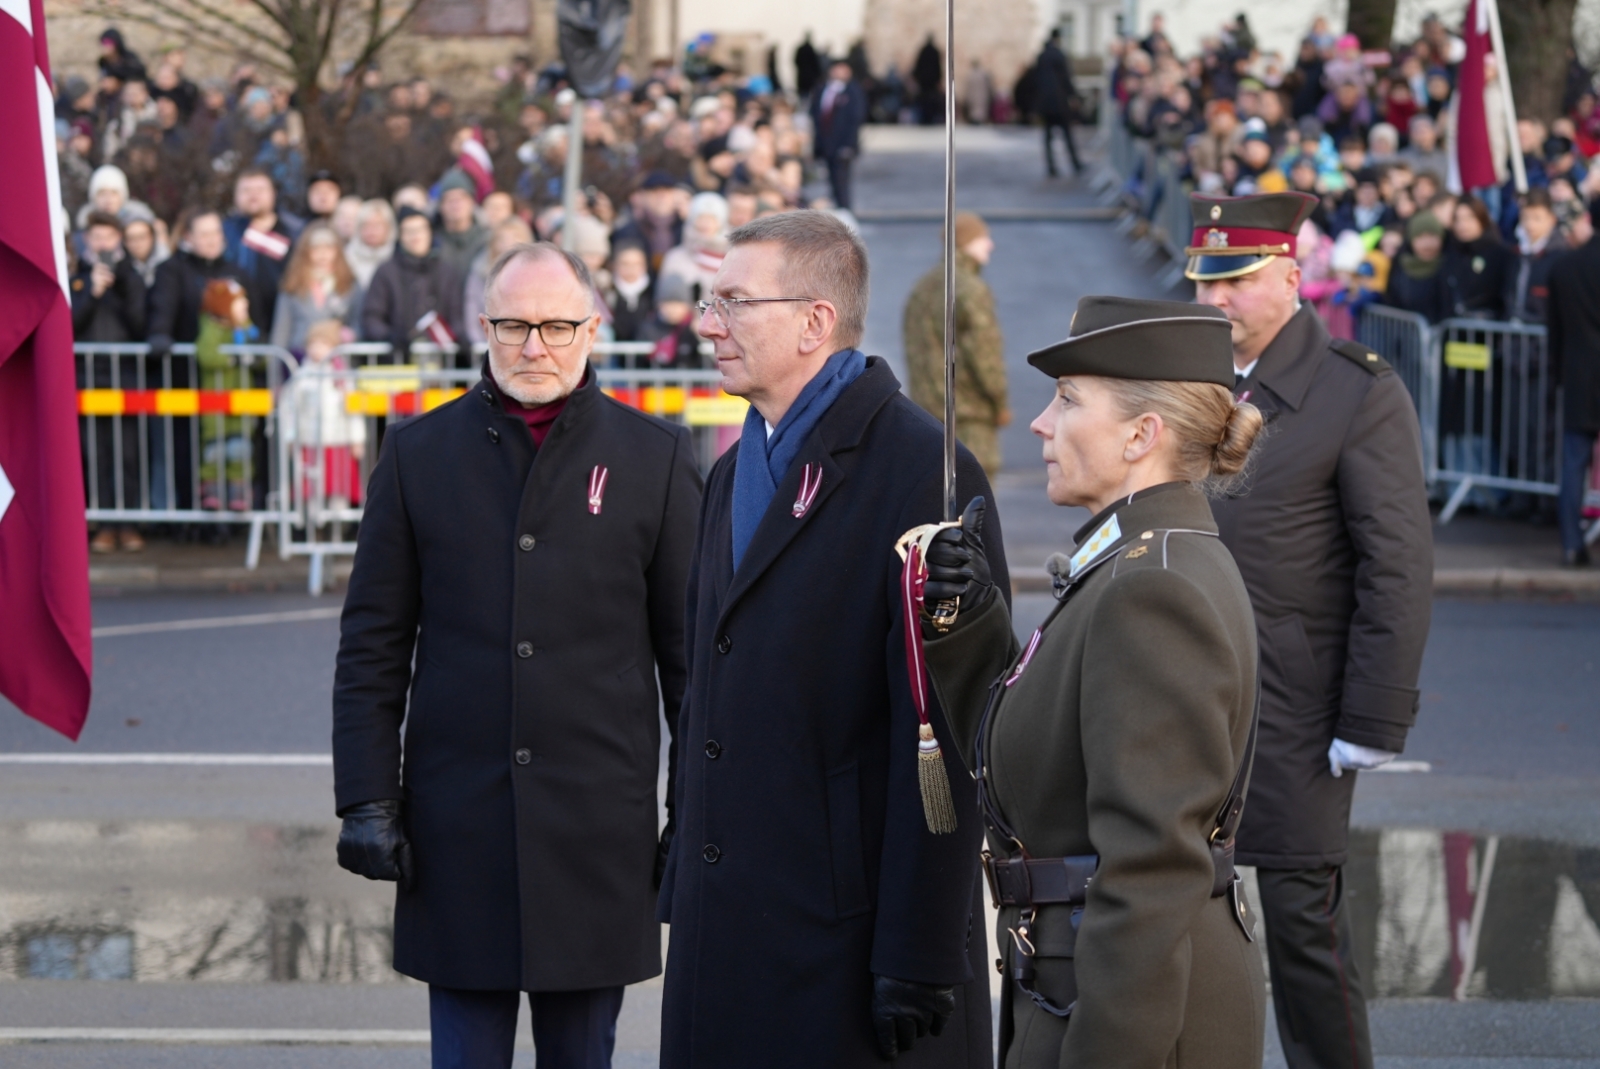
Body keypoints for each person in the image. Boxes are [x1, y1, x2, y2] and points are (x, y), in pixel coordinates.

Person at [333, 241, 700, 1069]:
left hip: (597, 835)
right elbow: (372, 650)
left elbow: (693, 670)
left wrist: (694, 808)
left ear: (593, 328)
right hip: (457, 828)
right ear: (482, 327)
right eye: (514, 326)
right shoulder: (417, 455)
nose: (536, 345)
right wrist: (365, 797)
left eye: (557, 325)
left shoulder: (658, 458)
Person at [657, 210, 1004, 1067]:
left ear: (816, 320)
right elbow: (708, 682)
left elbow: (947, 737)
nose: (709, 323)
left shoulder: (924, 469)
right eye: (711, 300)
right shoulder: (737, 467)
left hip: (843, 933)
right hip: (729, 913)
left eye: (735, 302)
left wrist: (923, 953)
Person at [918, 296, 1267, 1067]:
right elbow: (1039, 764)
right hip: (1075, 982)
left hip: (1125, 1013)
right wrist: (971, 624)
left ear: (1143, 434)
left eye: (1070, 400)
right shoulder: (1132, 561)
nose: (1041, 423)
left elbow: (1149, 872)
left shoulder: (1152, 587)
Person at [1188, 191, 1433, 1069]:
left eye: (1237, 282)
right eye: (1204, 282)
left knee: (1301, 921)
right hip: (1187, 685)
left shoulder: (1353, 391)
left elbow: (1396, 566)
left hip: (1293, 700)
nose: (1216, 301)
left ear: (1291, 276)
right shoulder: (1194, 381)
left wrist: (1372, 719)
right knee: (1175, 909)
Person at [902, 211, 1010, 478]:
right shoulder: (971, 290)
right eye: (984, 238)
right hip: (969, 417)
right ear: (966, 242)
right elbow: (985, 355)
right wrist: (1000, 403)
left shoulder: (922, 288)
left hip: (927, 417)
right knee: (974, 507)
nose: (990, 245)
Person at [1546, 197, 1600, 568]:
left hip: (1579, 377)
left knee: (1573, 464)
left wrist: (1557, 377)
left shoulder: (1564, 267)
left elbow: (1556, 332)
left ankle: (1571, 543)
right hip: (1580, 373)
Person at [361, 206, 466, 362]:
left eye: (420, 230)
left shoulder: (447, 272)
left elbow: (457, 315)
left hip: (442, 364)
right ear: (400, 236)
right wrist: (389, 336)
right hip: (397, 363)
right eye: (408, 231)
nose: (415, 236)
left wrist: (459, 340)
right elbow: (372, 317)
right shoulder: (385, 272)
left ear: (430, 233)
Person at [195, 278, 259, 512]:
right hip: (216, 404)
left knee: (240, 448)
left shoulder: (245, 327)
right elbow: (206, 353)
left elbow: (258, 349)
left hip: (241, 403)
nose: (245, 305)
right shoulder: (212, 327)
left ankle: (239, 491)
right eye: (239, 301)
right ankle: (212, 490)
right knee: (215, 448)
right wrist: (231, 358)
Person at [223, 167, 304, 333]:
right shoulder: (224, 232)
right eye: (246, 190)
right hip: (234, 324)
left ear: (273, 193)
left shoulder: (294, 230)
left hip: (284, 322)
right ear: (235, 196)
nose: (253, 195)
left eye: (260, 190)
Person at [271, 223, 361, 355]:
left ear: (338, 251)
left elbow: (359, 325)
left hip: (338, 364)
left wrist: (347, 335)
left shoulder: (349, 284)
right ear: (306, 253)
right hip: (299, 361)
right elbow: (280, 333)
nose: (323, 254)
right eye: (316, 249)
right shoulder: (292, 286)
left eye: (329, 248)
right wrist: (275, 374)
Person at [809, 60, 867, 211]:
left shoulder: (853, 91)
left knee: (842, 181)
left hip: (842, 145)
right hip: (825, 143)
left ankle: (845, 212)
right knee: (831, 181)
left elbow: (855, 119)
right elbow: (816, 116)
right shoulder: (822, 89)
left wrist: (849, 145)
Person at [1509, 188, 1569, 324]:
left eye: (1537, 218)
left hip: (1543, 335)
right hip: (1512, 337)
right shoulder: (1515, 254)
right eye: (1525, 217)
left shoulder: (1561, 257)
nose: (1530, 224)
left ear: (1552, 219)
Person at [1382, 211, 1447, 323]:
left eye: (1432, 236)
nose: (1427, 243)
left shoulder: (1449, 267)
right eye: (1420, 237)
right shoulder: (1400, 266)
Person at [1035, 29, 1082, 177]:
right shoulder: (1059, 55)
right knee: (1067, 134)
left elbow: (1036, 80)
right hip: (1059, 101)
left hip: (1046, 102)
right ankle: (1075, 163)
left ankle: (1051, 167)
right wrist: (1073, 96)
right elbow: (1066, 78)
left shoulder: (1041, 56)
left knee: (1048, 136)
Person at [435, 168, 489, 280]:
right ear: (441, 206)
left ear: (471, 202)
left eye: (461, 198)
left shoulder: (487, 239)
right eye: (449, 199)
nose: (456, 205)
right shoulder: (432, 242)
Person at [346, 199, 397, 290]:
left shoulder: (398, 257)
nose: (371, 230)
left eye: (377, 225)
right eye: (366, 225)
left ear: (388, 227)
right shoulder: (346, 258)